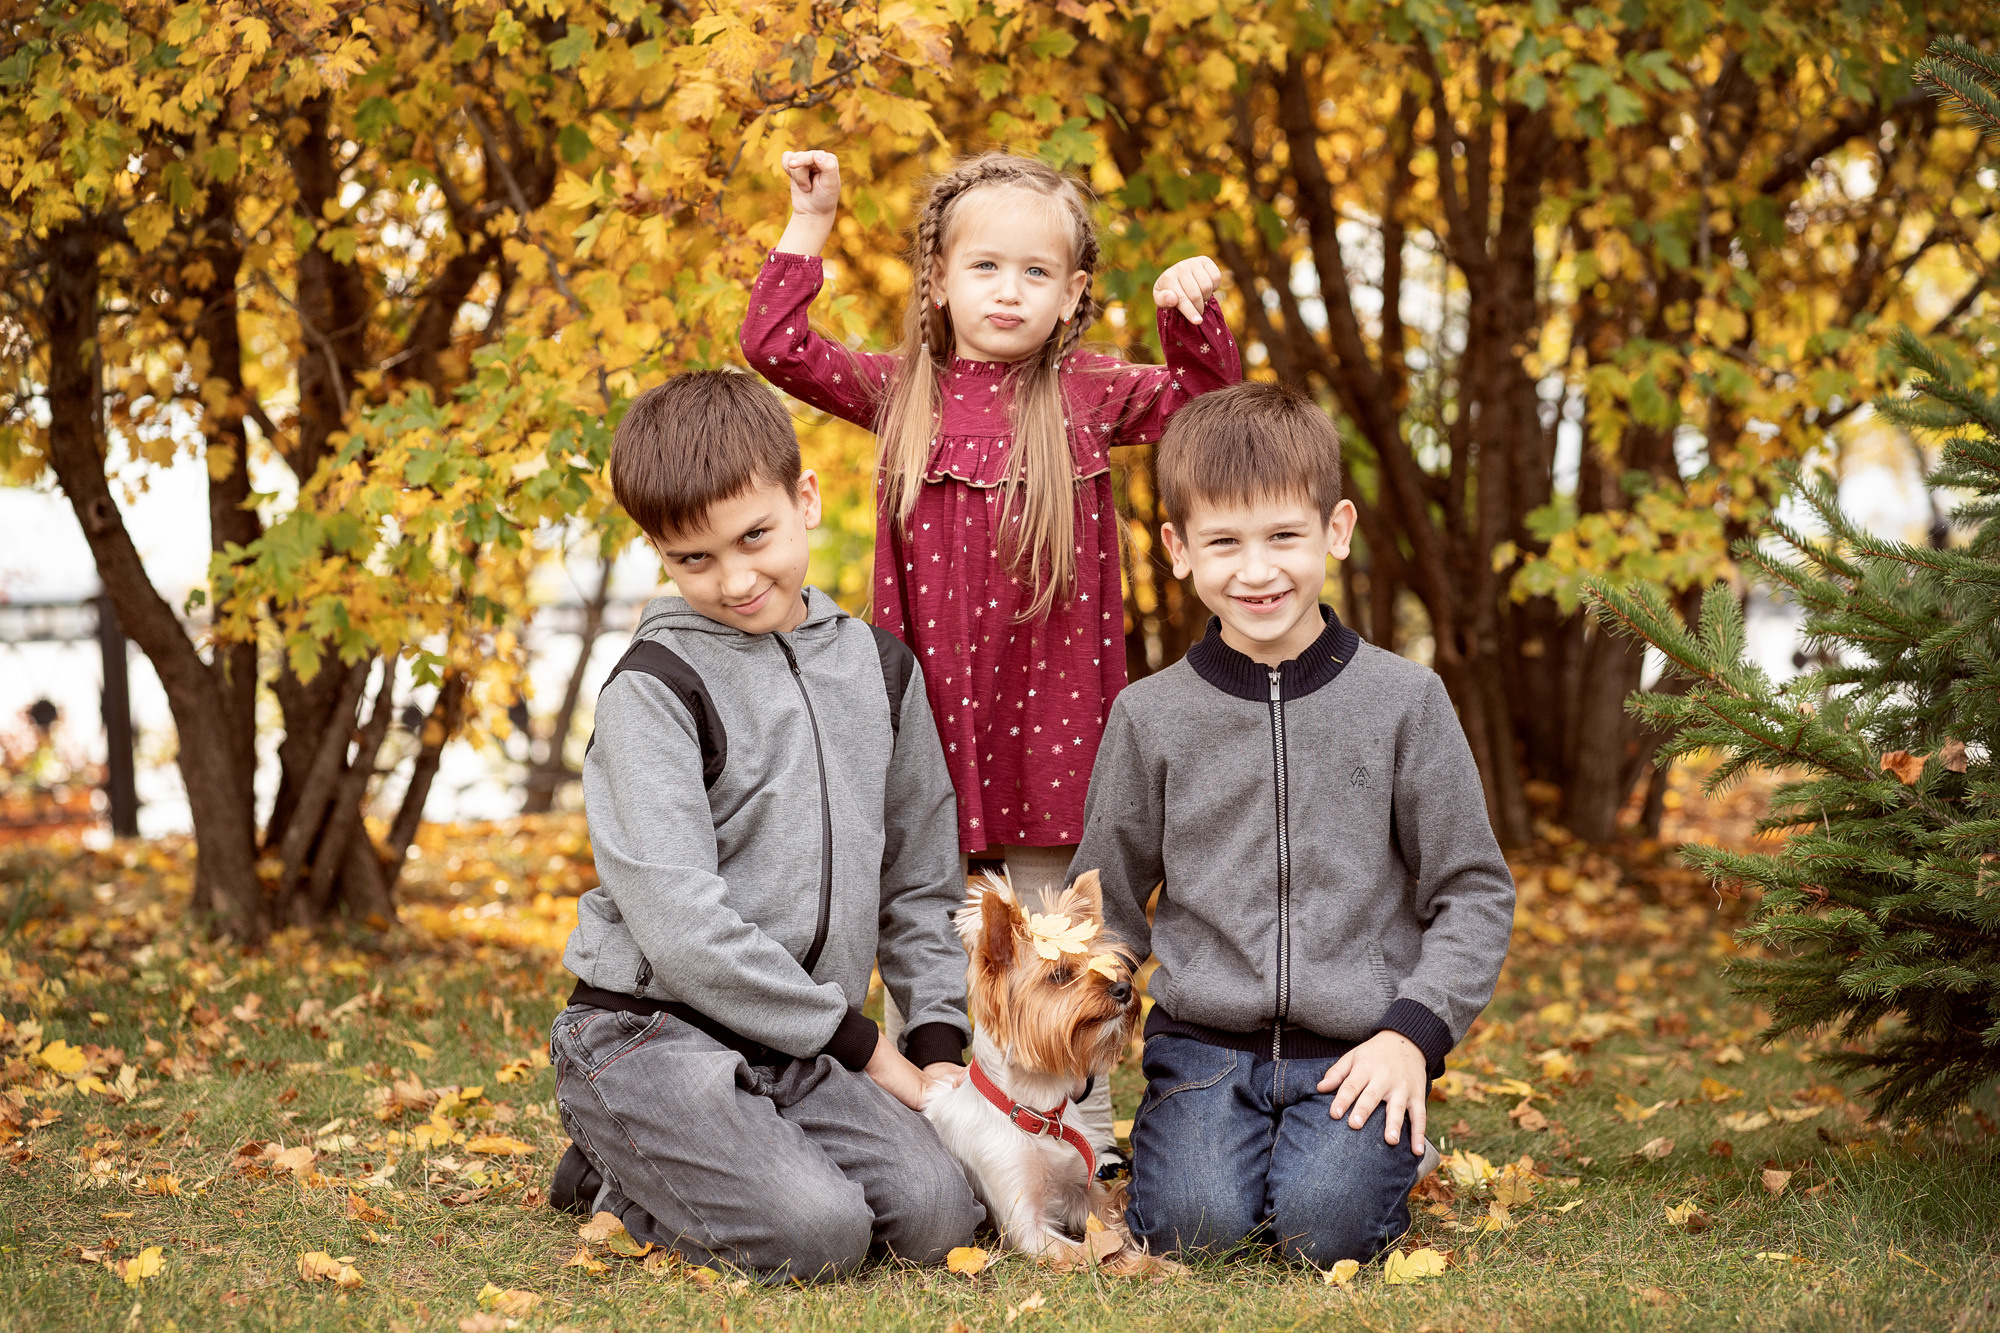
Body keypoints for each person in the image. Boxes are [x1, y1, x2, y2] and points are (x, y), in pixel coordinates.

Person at [740, 148, 1241, 1169]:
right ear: (937, 279)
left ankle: (1082, 1153)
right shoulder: (900, 393)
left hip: (1061, 735)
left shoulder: (1089, 392)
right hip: (938, 734)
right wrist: (812, 220)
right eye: (984, 268)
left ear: (1071, 295)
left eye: (1035, 273)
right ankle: (958, 1157)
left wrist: (1189, 312)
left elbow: (1205, 409)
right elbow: (775, 344)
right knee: (957, 947)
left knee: (1063, 954)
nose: (1008, 291)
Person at [1068, 381, 1517, 1267]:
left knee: (1327, 1232)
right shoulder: (1149, 715)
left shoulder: (1404, 701)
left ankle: (1379, 1142)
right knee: (1198, 1232)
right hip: (1202, 1050)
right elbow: (1106, 902)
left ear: (1335, 531)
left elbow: (1473, 892)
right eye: (1224, 542)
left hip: (1359, 1049)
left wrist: (1411, 1034)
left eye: (1284, 536)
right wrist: (1070, 1018)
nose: (1257, 569)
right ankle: (1230, 1149)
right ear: (1178, 550)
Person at [546, 369, 981, 1281]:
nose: (737, 580)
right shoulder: (656, 687)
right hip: (650, 1030)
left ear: (806, 498)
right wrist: (865, 1050)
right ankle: (618, 1162)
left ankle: (725, 1150)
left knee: (941, 1213)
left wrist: (937, 1046)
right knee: (817, 1236)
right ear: (660, 552)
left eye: (756, 537)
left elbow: (922, 883)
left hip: (796, 1042)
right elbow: (683, 929)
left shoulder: (880, 669)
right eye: (694, 559)